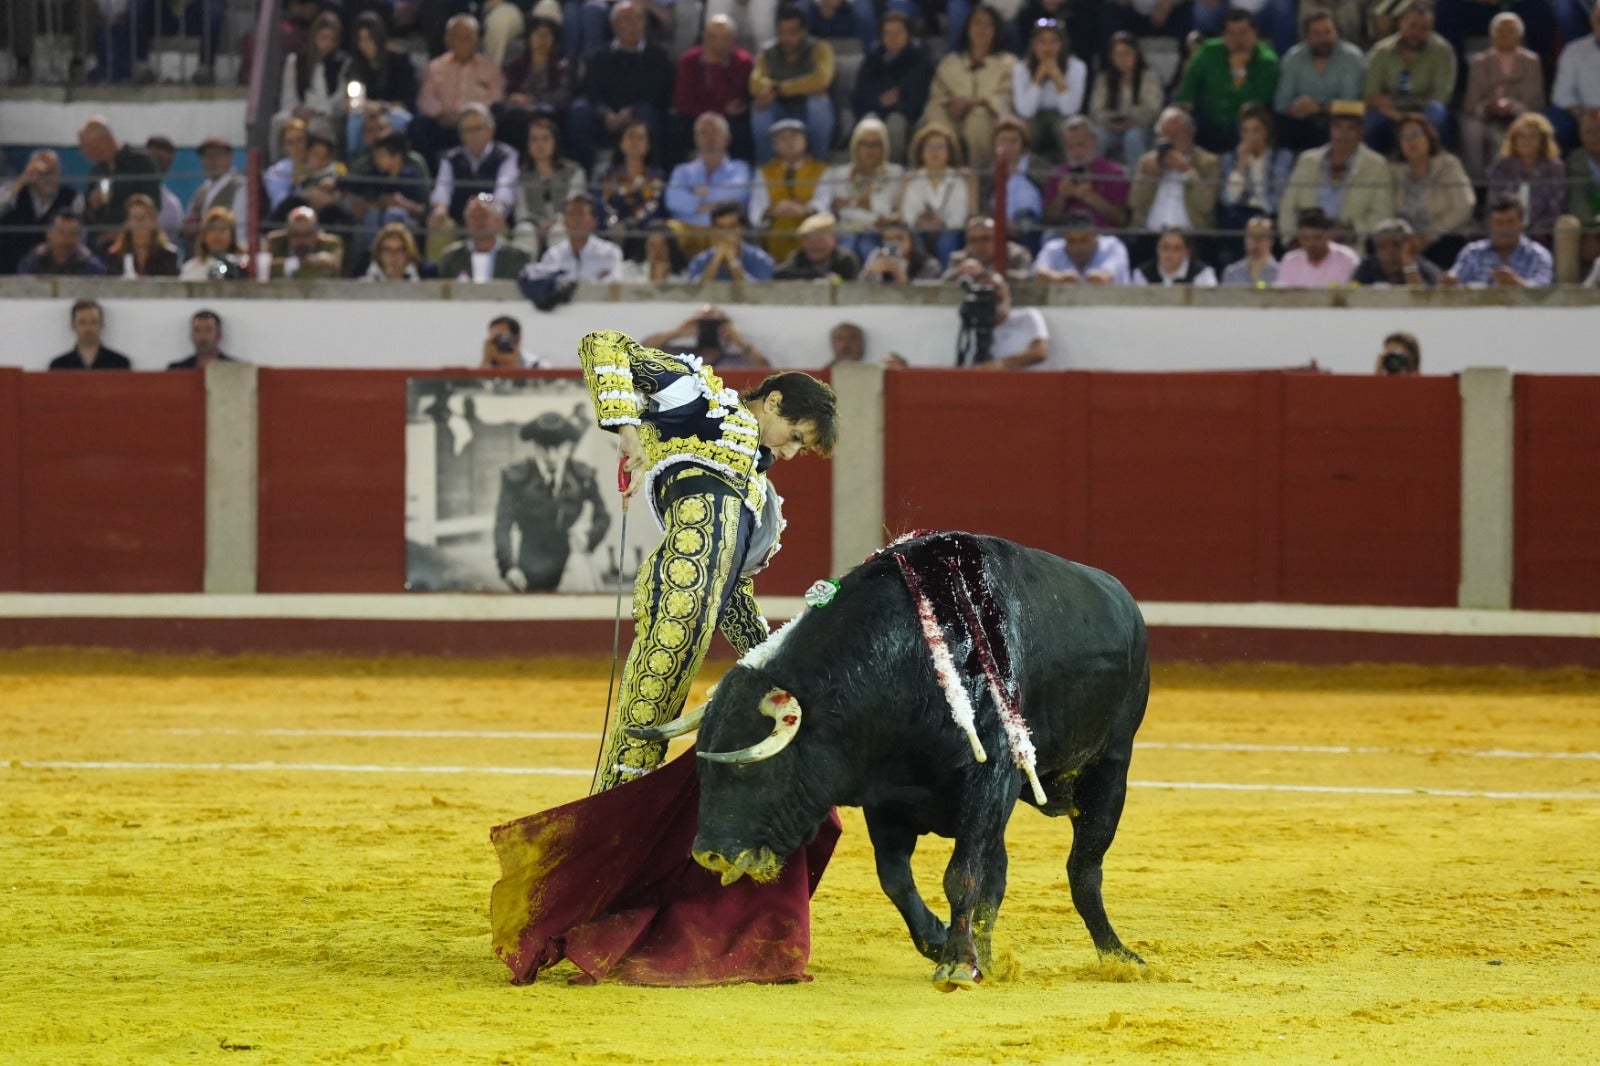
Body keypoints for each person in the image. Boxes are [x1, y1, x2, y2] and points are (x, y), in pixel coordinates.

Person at [575, 331, 838, 789]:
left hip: (702, 603)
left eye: (802, 447)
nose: (792, 453)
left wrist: (771, 663)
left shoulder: (758, 490)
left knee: (652, 732)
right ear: (773, 402)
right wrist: (627, 429)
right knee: (645, 721)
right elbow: (602, 345)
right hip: (679, 593)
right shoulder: (699, 397)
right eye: (795, 436)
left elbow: (732, 590)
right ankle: (608, 822)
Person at [494, 411, 611, 592]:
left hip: (573, 565)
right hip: (530, 568)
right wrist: (508, 566)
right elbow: (503, 525)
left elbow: (603, 517)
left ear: (568, 447)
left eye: (558, 448)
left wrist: (588, 538)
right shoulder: (517, 478)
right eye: (544, 448)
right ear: (534, 446)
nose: (551, 456)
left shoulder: (582, 476)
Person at [567, 1, 674, 171]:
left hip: (639, 114)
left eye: (638, 19)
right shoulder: (600, 56)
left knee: (648, 114)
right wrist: (605, 112)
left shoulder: (659, 57)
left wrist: (632, 110)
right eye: (627, 20)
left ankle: (651, 175)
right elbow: (591, 90)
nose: (634, 25)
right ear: (614, 25)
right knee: (579, 111)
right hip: (606, 117)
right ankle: (581, 175)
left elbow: (660, 93)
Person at [1277, 100, 1394, 243]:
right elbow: (1287, 207)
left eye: (1350, 128)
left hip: (1349, 249)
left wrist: (1351, 230)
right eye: (1338, 127)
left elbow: (1382, 216)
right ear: (1330, 130)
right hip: (1305, 247)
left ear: (1361, 131)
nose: (1343, 134)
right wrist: (1293, 240)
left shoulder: (1377, 166)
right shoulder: (1307, 161)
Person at [923, 4, 1018, 169]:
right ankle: (948, 170)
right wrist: (950, 104)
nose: (981, 29)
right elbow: (937, 94)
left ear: (996, 30)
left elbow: (1007, 98)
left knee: (978, 119)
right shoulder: (950, 62)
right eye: (977, 23)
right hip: (954, 117)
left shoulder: (1008, 63)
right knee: (935, 112)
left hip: (988, 120)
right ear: (967, 28)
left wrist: (976, 104)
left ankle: (979, 177)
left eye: (988, 24)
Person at [1176, 7, 1281, 152]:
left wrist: (1238, 71)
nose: (1237, 40)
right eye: (1231, 33)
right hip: (1210, 118)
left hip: (1243, 125)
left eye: (1243, 33)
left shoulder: (1268, 62)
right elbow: (1189, 87)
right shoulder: (1209, 50)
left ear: (1255, 34)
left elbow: (1255, 103)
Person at [1460, 11, 1546, 182]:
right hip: (1487, 115)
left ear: (1520, 35)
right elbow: (1471, 100)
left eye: (1510, 30)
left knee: (1511, 132)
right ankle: (1478, 182)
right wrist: (1488, 107)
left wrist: (1512, 106)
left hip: (1521, 114)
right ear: (1492, 35)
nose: (1505, 34)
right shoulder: (1479, 62)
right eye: (1500, 30)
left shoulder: (1532, 61)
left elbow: (1534, 97)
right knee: (1471, 130)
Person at [750, 3, 838, 165]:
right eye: (782, 33)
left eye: (792, 33)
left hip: (808, 111)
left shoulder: (820, 49)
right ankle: (767, 167)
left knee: (819, 102)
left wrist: (780, 88)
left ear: (803, 31)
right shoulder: (767, 52)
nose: (786, 38)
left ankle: (818, 164)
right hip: (779, 110)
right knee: (760, 106)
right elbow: (755, 83)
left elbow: (821, 80)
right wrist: (793, 88)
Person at [1361, 1, 1456, 153]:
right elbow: (1370, 96)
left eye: (1424, 28)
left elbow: (1440, 97)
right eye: (1412, 26)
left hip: (1424, 112)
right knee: (1371, 118)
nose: (1416, 33)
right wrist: (1401, 116)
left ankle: (1435, 162)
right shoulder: (1381, 52)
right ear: (1401, 24)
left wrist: (1411, 117)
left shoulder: (1442, 52)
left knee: (1438, 112)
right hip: (1388, 112)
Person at [413, 14, 506, 164]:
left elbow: (495, 99)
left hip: (475, 123)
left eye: (468, 37)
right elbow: (427, 98)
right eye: (457, 37)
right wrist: (441, 114)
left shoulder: (491, 68)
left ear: (477, 40)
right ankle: (431, 176)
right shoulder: (435, 67)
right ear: (448, 39)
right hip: (443, 123)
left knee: (495, 122)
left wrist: (468, 116)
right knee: (419, 126)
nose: (463, 42)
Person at [1273, 9, 1367, 153]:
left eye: (1328, 32)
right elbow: (1280, 103)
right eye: (1316, 34)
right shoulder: (1293, 58)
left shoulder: (1351, 58)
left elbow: (1350, 103)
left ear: (1337, 33)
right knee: (1278, 123)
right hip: (1300, 119)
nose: (1323, 39)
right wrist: (1294, 109)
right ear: (1307, 37)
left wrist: (1319, 107)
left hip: (1337, 119)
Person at [1389, 111, 1475, 265]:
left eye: (1416, 134)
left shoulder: (1448, 165)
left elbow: (1465, 205)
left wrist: (1429, 235)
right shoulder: (1393, 171)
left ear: (1429, 136)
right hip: (1405, 240)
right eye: (1405, 137)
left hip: (1440, 236)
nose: (1411, 141)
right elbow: (1386, 210)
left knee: (1449, 244)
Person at [852, 11, 935, 163]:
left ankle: (890, 171)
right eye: (887, 33)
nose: (893, 37)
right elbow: (860, 96)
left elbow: (920, 96)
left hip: (907, 116)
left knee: (895, 122)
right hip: (874, 110)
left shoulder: (921, 62)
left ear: (908, 35)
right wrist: (879, 102)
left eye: (898, 32)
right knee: (870, 122)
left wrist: (898, 100)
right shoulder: (871, 62)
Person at [815, 117, 904, 259]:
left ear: (885, 147)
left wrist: (853, 203)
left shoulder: (895, 173)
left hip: (883, 232)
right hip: (846, 231)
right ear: (855, 146)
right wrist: (862, 204)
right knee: (847, 247)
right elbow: (826, 207)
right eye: (864, 144)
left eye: (876, 144)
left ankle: (888, 273)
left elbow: (889, 211)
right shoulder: (837, 174)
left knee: (873, 246)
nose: (870, 150)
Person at [673, 15, 756, 165]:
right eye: (712, 37)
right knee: (676, 127)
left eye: (725, 38)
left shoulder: (744, 62)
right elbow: (683, 101)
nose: (718, 44)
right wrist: (716, 113)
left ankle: (742, 173)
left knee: (742, 129)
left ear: (734, 40)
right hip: (695, 116)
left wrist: (715, 67)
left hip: (731, 120)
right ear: (703, 37)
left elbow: (739, 98)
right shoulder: (689, 60)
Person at [1128, 107, 1221, 237]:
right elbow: (1135, 203)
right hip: (1149, 236)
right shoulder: (1147, 162)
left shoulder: (1208, 162)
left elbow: (1206, 206)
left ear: (1190, 135)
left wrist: (1187, 172)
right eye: (1165, 133)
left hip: (1191, 238)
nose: (1170, 140)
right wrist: (1150, 177)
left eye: (1176, 134)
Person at [428, 105, 520, 231]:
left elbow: (504, 187)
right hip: (459, 219)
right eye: (468, 130)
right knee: (440, 225)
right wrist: (440, 208)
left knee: (498, 219)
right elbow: (443, 188)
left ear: (491, 130)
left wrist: (496, 209)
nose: (474, 134)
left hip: (492, 214)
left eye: (478, 128)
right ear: (461, 134)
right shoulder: (450, 158)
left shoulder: (506, 155)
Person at [498, 10, 575, 160]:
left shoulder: (562, 67)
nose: (542, 40)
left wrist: (532, 100)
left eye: (547, 35)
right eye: (538, 35)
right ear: (529, 39)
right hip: (517, 115)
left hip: (548, 114)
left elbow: (562, 98)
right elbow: (504, 92)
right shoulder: (514, 64)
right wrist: (514, 99)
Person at [749, 119, 829, 263]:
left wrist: (803, 209)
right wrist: (775, 210)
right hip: (776, 233)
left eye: (795, 137)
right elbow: (756, 211)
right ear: (774, 145)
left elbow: (823, 203)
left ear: (805, 141)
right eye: (783, 138)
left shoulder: (821, 170)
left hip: (812, 230)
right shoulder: (764, 172)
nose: (789, 142)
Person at [897, 124, 977, 266]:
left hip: (950, 231)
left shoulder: (959, 179)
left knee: (947, 240)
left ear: (949, 152)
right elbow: (907, 214)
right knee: (913, 239)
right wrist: (920, 221)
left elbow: (959, 216)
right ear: (921, 151)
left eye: (940, 147)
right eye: (930, 147)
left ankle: (946, 279)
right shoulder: (912, 180)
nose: (935, 152)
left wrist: (940, 223)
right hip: (919, 231)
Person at [78, 118, 161, 248]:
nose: (87, 155)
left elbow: (154, 204)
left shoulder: (140, 161)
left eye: (90, 148)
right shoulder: (97, 171)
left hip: (134, 243)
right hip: (102, 247)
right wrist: (93, 207)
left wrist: (122, 232)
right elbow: (87, 218)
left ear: (104, 141)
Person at [510, 116, 588, 255]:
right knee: (524, 230)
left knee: (558, 231)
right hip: (534, 226)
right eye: (534, 139)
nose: (540, 144)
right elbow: (521, 212)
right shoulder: (521, 176)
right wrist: (539, 225)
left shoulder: (574, 172)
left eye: (545, 138)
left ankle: (561, 273)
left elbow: (574, 206)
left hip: (563, 224)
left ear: (555, 142)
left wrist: (555, 220)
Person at [1013, 18, 1087, 161]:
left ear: (1062, 45)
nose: (1047, 47)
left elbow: (1070, 110)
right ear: (1034, 45)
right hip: (1033, 118)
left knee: (1066, 128)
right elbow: (1025, 111)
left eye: (1053, 41)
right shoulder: (1021, 69)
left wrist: (1057, 77)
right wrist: (1038, 80)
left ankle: (1073, 172)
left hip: (1063, 117)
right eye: (1042, 41)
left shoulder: (1077, 67)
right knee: (1027, 129)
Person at [1218, 102, 1294, 239]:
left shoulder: (1281, 157)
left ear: (1267, 132)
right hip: (1240, 218)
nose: (1250, 137)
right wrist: (1241, 166)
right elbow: (1228, 200)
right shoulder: (1230, 158)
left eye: (1256, 130)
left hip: (1269, 215)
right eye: (1245, 131)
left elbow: (1277, 201)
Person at [346, 12, 420, 152]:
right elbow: (356, 99)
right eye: (360, 39)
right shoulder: (357, 66)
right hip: (368, 115)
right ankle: (356, 164)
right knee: (354, 120)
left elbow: (406, 102)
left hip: (395, 112)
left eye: (369, 39)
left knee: (397, 120)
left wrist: (379, 107)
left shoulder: (399, 61)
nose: (364, 45)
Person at [1487, 113, 1568, 241]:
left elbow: (1556, 206)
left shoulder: (1555, 168)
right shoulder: (1502, 165)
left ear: (1542, 141)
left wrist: (1536, 229)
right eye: (1521, 136)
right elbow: (1495, 200)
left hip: (1543, 231)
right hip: (1505, 228)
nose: (1526, 141)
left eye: (1532, 137)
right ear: (1514, 139)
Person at [1443, 195, 1553, 287]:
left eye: (1510, 222)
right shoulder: (1472, 252)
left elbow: (1544, 296)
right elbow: (1455, 281)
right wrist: (1448, 281)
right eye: (1498, 222)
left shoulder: (1537, 255)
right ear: (1489, 225)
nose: (1504, 228)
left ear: (1522, 224)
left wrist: (1515, 283)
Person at [665, 113, 754, 227]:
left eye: (715, 131)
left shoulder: (740, 168)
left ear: (728, 137)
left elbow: (737, 194)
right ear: (696, 139)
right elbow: (672, 200)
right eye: (703, 133)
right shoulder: (682, 171)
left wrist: (696, 196)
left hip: (724, 230)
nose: (709, 138)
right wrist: (711, 204)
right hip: (689, 232)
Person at [1088, 31, 1164, 165]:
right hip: (1111, 127)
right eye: (1117, 54)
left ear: (1136, 54)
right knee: (1098, 136)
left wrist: (1131, 120)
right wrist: (1111, 120)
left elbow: (1153, 109)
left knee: (1133, 137)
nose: (1122, 59)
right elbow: (1096, 109)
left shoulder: (1149, 77)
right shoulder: (1104, 79)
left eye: (1126, 53)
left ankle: (1138, 180)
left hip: (1141, 126)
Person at [1043, 115, 1131, 230]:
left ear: (1094, 142)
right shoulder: (1058, 174)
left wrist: (1090, 197)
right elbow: (1048, 221)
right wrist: (1061, 196)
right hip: (1065, 235)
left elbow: (1121, 219)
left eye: (1081, 145)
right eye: (1070, 146)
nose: (1076, 152)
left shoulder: (1113, 172)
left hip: (1102, 236)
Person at [1, 151, 80, 274]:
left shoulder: (71, 196)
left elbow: (80, 232)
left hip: (52, 266)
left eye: (53, 172)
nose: (49, 178)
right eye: (44, 173)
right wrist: (22, 180)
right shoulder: (15, 191)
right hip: (8, 263)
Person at [599, 120, 667, 260]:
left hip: (643, 228)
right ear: (621, 143)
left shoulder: (657, 177)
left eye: (640, 137)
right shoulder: (608, 176)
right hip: (613, 228)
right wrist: (613, 221)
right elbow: (602, 204)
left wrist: (631, 223)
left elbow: (655, 207)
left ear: (648, 145)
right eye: (630, 136)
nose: (635, 141)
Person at [961, 270, 1052, 369]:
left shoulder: (1027, 316)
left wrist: (998, 366)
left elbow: (1039, 352)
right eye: (985, 290)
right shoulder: (973, 327)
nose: (993, 295)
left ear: (1008, 292)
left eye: (996, 288)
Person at [439, 194, 534, 280]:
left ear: (497, 221)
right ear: (466, 224)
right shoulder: (451, 257)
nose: (479, 221)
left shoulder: (518, 256)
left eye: (483, 216)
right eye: (473, 217)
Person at [642, 305, 772, 367]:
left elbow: (764, 370)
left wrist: (739, 341)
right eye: (704, 324)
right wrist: (679, 332)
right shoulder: (681, 357)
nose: (709, 329)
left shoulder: (736, 360)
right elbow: (644, 350)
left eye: (714, 324)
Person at [539, 193, 626, 281]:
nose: (576, 220)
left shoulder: (609, 253)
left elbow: (614, 287)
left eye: (581, 214)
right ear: (565, 222)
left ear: (593, 221)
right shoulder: (552, 256)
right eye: (571, 214)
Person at [182, 138, 247, 252]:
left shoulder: (240, 187)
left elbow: (240, 228)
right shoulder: (202, 190)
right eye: (207, 156)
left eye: (218, 155)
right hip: (202, 254)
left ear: (230, 157)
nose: (213, 160)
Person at [1033, 210, 1132, 284]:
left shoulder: (1113, 246)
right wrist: (1060, 277)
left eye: (1083, 240)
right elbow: (1039, 273)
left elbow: (1104, 278)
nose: (1078, 247)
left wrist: (1074, 279)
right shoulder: (1053, 248)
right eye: (1072, 241)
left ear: (1095, 235)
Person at [686, 202, 777, 282]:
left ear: (742, 229)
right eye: (721, 227)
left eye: (732, 227)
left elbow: (761, 295)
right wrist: (715, 261)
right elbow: (693, 295)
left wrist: (733, 261)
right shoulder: (699, 260)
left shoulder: (760, 259)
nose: (726, 233)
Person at [1551, 4, 1600, 150]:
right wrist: (1583, 116)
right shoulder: (1574, 50)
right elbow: (1560, 95)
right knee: (1555, 120)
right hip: (1584, 114)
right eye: (1599, 20)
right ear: (1592, 22)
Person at [1275, 205, 1359, 286]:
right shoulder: (1290, 261)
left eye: (1317, 238)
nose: (1311, 243)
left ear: (1328, 236)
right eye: (1305, 238)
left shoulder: (1347, 259)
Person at [105, 193, 180, 278]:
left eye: (143, 217)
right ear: (128, 222)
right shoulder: (116, 256)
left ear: (153, 221)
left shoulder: (168, 256)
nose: (139, 222)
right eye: (134, 217)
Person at [942, 214, 1035, 281]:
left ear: (999, 239)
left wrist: (986, 273)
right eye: (973, 240)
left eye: (985, 238)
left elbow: (1027, 278)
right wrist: (961, 271)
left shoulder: (1017, 254)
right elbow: (944, 280)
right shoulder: (959, 259)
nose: (979, 245)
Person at [1353, 217, 1442, 286]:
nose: (1390, 252)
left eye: (1396, 245)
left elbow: (1424, 304)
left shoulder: (1425, 269)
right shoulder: (1367, 267)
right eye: (1382, 247)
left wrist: (1408, 262)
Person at [774, 212, 861, 279]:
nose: (816, 247)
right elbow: (779, 274)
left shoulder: (846, 260)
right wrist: (818, 277)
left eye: (821, 241)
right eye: (811, 241)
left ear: (834, 240)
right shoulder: (798, 260)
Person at [266, 205, 346, 279]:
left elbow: (332, 266)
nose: (302, 240)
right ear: (288, 233)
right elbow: (265, 268)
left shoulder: (331, 243)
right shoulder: (275, 241)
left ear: (316, 233)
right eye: (296, 235)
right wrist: (305, 262)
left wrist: (287, 265)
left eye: (308, 234)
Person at [49, 300, 132, 370]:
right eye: (82, 322)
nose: (88, 328)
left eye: (94, 322)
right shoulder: (59, 365)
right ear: (73, 325)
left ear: (102, 325)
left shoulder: (120, 364)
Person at [858, 216, 943, 283]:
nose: (894, 244)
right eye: (888, 239)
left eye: (899, 238)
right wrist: (871, 273)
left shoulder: (929, 265)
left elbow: (923, 298)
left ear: (910, 239)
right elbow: (861, 289)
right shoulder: (877, 255)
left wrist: (899, 275)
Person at [17, 213, 106, 277]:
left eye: (72, 233)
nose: (66, 238)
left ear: (80, 236)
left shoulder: (91, 264)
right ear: (48, 233)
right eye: (61, 232)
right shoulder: (33, 260)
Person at [1133, 226, 1219, 286]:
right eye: (1165, 247)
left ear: (1187, 252)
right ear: (1157, 249)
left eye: (1177, 248)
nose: (1169, 253)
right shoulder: (1142, 274)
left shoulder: (1203, 274)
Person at [179, 207, 248, 281]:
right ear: (204, 236)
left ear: (232, 235)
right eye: (212, 229)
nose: (217, 234)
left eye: (223, 229)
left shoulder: (244, 263)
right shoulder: (191, 268)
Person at [1220, 213, 1280, 286]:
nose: (1256, 240)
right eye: (1252, 235)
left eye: (1262, 236)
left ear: (1271, 241)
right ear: (1245, 239)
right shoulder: (1231, 273)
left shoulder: (1281, 273)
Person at [168, 310, 236, 369]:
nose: (202, 336)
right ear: (192, 336)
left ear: (218, 335)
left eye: (208, 330)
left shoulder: (235, 368)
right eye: (197, 330)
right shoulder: (177, 369)